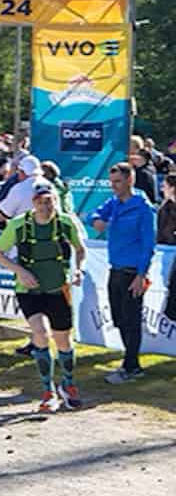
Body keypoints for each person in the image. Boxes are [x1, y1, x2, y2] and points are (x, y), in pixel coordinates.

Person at [0, 180, 87, 412]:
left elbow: (80, 248)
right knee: (40, 334)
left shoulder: (65, 223)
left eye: (50, 201)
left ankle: (68, 384)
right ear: (33, 203)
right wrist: (20, 271)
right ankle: (47, 391)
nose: (46, 206)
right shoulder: (18, 225)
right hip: (29, 290)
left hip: (57, 288)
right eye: (41, 202)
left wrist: (78, 269)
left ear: (56, 201)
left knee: (63, 341)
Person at [89, 162, 157, 384]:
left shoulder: (144, 208)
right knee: (119, 318)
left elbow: (149, 245)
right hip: (115, 269)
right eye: (112, 182)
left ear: (130, 180)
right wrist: (97, 220)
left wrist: (141, 275)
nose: (114, 186)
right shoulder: (114, 203)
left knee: (131, 320)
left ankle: (131, 365)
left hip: (132, 272)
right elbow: (95, 213)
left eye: (118, 182)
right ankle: (131, 363)